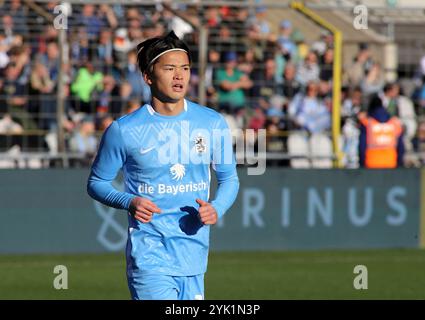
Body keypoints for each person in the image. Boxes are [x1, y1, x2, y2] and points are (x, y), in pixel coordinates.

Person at [87, 31, 239, 300]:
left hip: (194, 256)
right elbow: (96, 183)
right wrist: (129, 201)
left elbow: (229, 179)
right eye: (170, 68)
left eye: (185, 68)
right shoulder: (123, 130)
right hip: (149, 256)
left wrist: (217, 207)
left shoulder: (211, 122)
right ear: (148, 76)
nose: (179, 76)